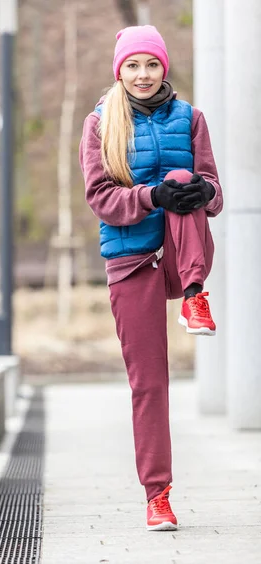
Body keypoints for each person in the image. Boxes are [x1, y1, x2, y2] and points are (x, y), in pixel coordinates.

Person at [79, 25, 223, 531]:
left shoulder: (191, 119)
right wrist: (150, 198)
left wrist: (196, 194)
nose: (143, 75)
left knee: (185, 179)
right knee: (150, 383)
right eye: (133, 65)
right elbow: (100, 197)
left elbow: (216, 194)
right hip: (133, 259)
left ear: (165, 68)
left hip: (186, 258)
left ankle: (194, 296)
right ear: (120, 70)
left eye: (152, 64)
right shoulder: (100, 123)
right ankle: (157, 496)